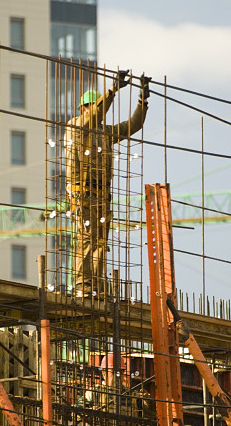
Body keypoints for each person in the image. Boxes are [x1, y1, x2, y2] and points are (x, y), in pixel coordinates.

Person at [64, 71, 150, 297]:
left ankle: (94, 284)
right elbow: (94, 115)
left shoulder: (105, 132)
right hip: (81, 192)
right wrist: (112, 91)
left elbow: (132, 125)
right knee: (86, 239)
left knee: (100, 242)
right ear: (84, 108)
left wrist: (142, 100)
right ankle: (82, 284)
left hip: (102, 194)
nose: (97, 110)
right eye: (93, 106)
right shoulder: (76, 126)